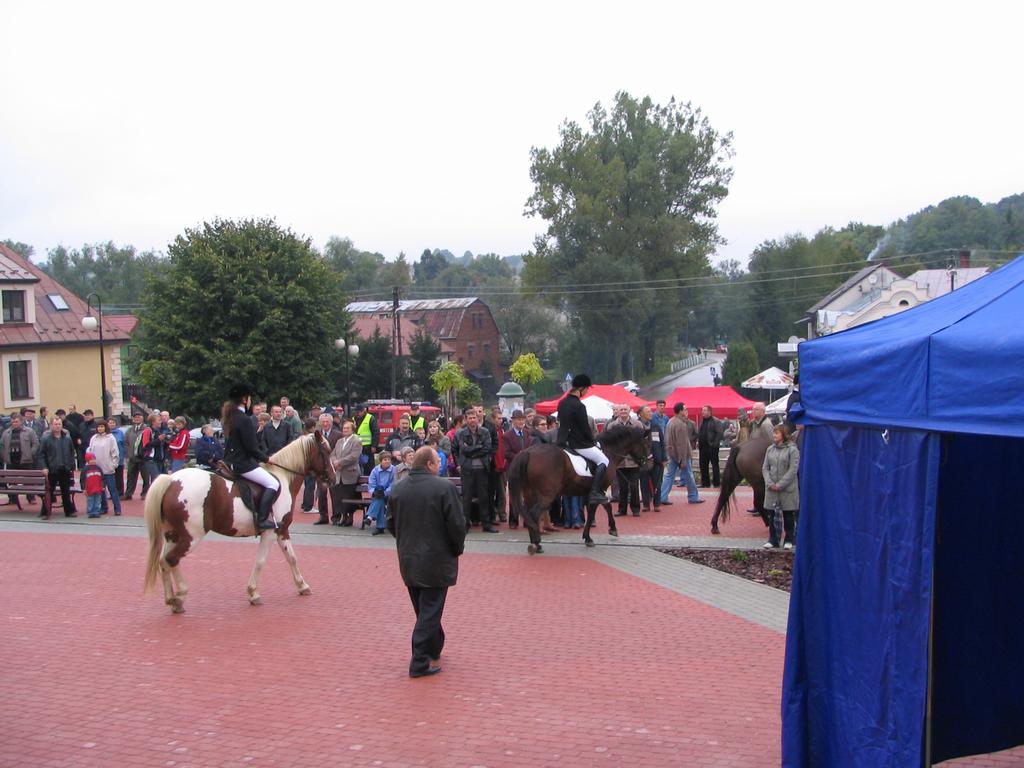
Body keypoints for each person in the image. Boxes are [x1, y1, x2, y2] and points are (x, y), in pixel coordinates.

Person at [386, 446, 467, 678]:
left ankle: (434, 645)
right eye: (437, 462)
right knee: (429, 610)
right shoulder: (444, 487)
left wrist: (404, 541)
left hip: (409, 557)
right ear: (430, 464)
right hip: (437, 558)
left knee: (424, 609)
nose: (440, 466)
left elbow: (391, 523)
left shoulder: (399, 488)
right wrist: (456, 549)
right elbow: (457, 524)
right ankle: (419, 661)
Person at [222, 385, 279, 531]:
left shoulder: (229, 416)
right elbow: (251, 448)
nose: (250, 401)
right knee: (273, 483)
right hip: (242, 463)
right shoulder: (244, 419)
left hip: (229, 460)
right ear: (244, 399)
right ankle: (262, 520)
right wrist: (266, 459)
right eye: (249, 398)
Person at [554, 373, 609, 504]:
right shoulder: (579, 406)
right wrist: (593, 441)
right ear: (581, 388)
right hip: (579, 444)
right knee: (604, 460)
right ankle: (595, 492)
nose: (587, 391)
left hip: (562, 442)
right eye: (587, 389)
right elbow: (585, 428)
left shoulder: (562, 403)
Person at [453, 408, 496, 532]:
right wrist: (477, 448)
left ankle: (486, 524)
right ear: (466, 420)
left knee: (484, 497)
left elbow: (487, 448)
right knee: (466, 498)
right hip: (467, 469)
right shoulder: (460, 433)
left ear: (478, 419)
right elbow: (460, 449)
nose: (472, 420)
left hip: (482, 468)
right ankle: (465, 524)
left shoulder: (485, 432)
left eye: (474, 417)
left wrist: (471, 451)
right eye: (470, 418)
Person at [763, 424, 800, 549]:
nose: (774, 435)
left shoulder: (792, 450)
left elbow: (793, 470)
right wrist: (769, 482)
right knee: (772, 514)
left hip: (787, 489)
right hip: (772, 488)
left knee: (788, 515)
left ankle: (789, 539)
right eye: (774, 433)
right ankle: (773, 539)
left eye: (777, 433)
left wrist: (780, 484)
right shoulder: (770, 449)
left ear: (784, 435)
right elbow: (765, 468)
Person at [660, 402, 703, 505]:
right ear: (680, 411)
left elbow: (668, 439)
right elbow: (682, 443)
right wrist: (682, 459)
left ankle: (662, 496)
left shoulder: (670, 421)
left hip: (672, 453)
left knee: (669, 475)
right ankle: (693, 496)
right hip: (682, 455)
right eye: (685, 409)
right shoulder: (680, 424)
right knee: (689, 475)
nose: (686, 411)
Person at [606, 405, 641, 516]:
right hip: (619, 463)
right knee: (622, 487)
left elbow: (641, 442)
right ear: (618, 411)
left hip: (633, 461)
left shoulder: (637, 424)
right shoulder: (612, 426)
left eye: (625, 409)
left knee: (634, 487)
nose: (623, 411)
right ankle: (622, 509)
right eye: (621, 409)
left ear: (629, 411)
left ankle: (635, 509)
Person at [40, 417, 77, 517]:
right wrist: (44, 467)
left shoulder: (67, 438)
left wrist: (71, 465)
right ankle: (45, 512)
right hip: (52, 469)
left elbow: (71, 452)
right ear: (51, 425)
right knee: (49, 492)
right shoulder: (46, 439)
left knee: (66, 492)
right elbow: (41, 455)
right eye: (55, 424)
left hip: (65, 469)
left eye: (59, 424)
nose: (57, 426)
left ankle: (69, 512)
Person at [1, 413, 40, 507]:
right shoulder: (6, 433)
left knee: (28, 481)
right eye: (13, 422)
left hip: (25, 460)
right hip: (11, 460)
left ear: (21, 421)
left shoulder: (29, 431)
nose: (14, 423)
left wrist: (30, 454)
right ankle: (13, 499)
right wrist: (4, 456)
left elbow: (35, 444)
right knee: (11, 480)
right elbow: (2, 445)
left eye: (16, 422)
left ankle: (31, 498)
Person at [330, 419, 363, 527]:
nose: (345, 430)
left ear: (352, 429)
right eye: (344, 428)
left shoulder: (356, 441)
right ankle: (343, 517)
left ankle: (350, 518)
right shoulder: (339, 441)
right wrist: (335, 461)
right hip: (339, 473)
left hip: (350, 473)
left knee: (349, 496)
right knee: (339, 496)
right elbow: (333, 454)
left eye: (348, 428)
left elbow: (354, 456)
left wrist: (340, 462)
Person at [87, 419, 121, 516]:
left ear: (105, 427)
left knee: (112, 490)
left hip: (108, 469)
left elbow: (115, 453)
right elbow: (90, 451)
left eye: (102, 426)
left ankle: (117, 509)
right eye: (99, 427)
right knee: (100, 490)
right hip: (97, 469)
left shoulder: (110, 438)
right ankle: (104, 507)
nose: (100, 428)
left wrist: (113, 465)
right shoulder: (94, 438)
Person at [315, 412, 344, 525]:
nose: (325, 424)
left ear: (331, 423)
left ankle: (336, 516)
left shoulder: (339, 435)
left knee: (335, 493)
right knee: (321, 493)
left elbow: (340, 450)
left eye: (327, 422)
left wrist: (335, 461)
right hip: (321, 469)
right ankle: (323, 516)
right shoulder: (316, 435)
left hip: (333, 468)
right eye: (323, 422)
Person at [637, 405, 664, 512]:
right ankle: (646, 504)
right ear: (641, 414)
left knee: (657, 482)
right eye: (648, 411)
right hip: (643, 459)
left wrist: (664, 457)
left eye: (650, 411)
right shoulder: (637, 426)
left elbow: (662, 442)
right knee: (644, 482)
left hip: (656, 459)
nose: (650, 413)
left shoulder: (655, 425)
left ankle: (657, 504)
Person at [122, 412, 150, 500]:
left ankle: (145, 493)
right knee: (130, 477)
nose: (137, 419)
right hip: (132, 458)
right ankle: (128, 493)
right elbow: (126, 443)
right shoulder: (129, 430)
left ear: (142, 418)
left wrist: (145, 454)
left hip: (143, 458)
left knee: (145, 477)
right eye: (135, 417)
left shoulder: (146, 429)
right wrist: (129, 454)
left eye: (138, 417)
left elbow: (149, 442)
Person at [366, 450, 395, 536]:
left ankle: (370, 518)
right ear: (381, 461)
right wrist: (374, 492)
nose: (387, 461)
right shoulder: (375, 470)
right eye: (385, 460)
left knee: (380, 498)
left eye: (389, 459)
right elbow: (371, 484)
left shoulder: (394, 470)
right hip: (377, 494)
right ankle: (380, 527)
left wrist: (385, 493)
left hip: (390, 494)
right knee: (380, 500)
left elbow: (393, 484)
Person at [697, 405, 724, 488]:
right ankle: (705, 483)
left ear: (709, 411)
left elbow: (720, 433)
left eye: (705, 410)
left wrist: (714, 444)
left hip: (712, 447)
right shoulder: (702, 421)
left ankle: (716, 483)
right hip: (703, 447)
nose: (703, 412)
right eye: (702, 410)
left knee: (714, 465)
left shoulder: (715, 421)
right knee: (703, 465)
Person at [352, 403, 379, 469]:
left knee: (369, 467)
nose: (357, 414)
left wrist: (374, 445)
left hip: (367, 447)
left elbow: (376, 432)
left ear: (363, 411)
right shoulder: (353, 419)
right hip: (356, 446)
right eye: (356, 412)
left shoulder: (370, 418)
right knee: (357, 466)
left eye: (359, 412)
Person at [106, 418, 126, 498]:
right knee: (111, 477)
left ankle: (120, 493)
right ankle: (112, 493)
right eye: (110, 422)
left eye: (113, 422)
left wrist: (124, 455)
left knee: (119, 477)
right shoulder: (106, 433)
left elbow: (124, 444)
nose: (111, 424)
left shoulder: (120, 433)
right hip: (108, 459)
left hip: (119, 458)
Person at [82, 452, 105, 518]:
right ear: (88, 461)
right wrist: (83, 488)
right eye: (91, 459)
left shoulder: (98, 468)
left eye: (94, 459)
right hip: (89, 488)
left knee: (98, 500)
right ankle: (91, 512)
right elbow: (82, 480)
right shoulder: (85, 469)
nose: (93, 461)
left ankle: (96, 511)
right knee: (90, 500)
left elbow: (102, 478)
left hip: (98, 488)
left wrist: (103, 486)